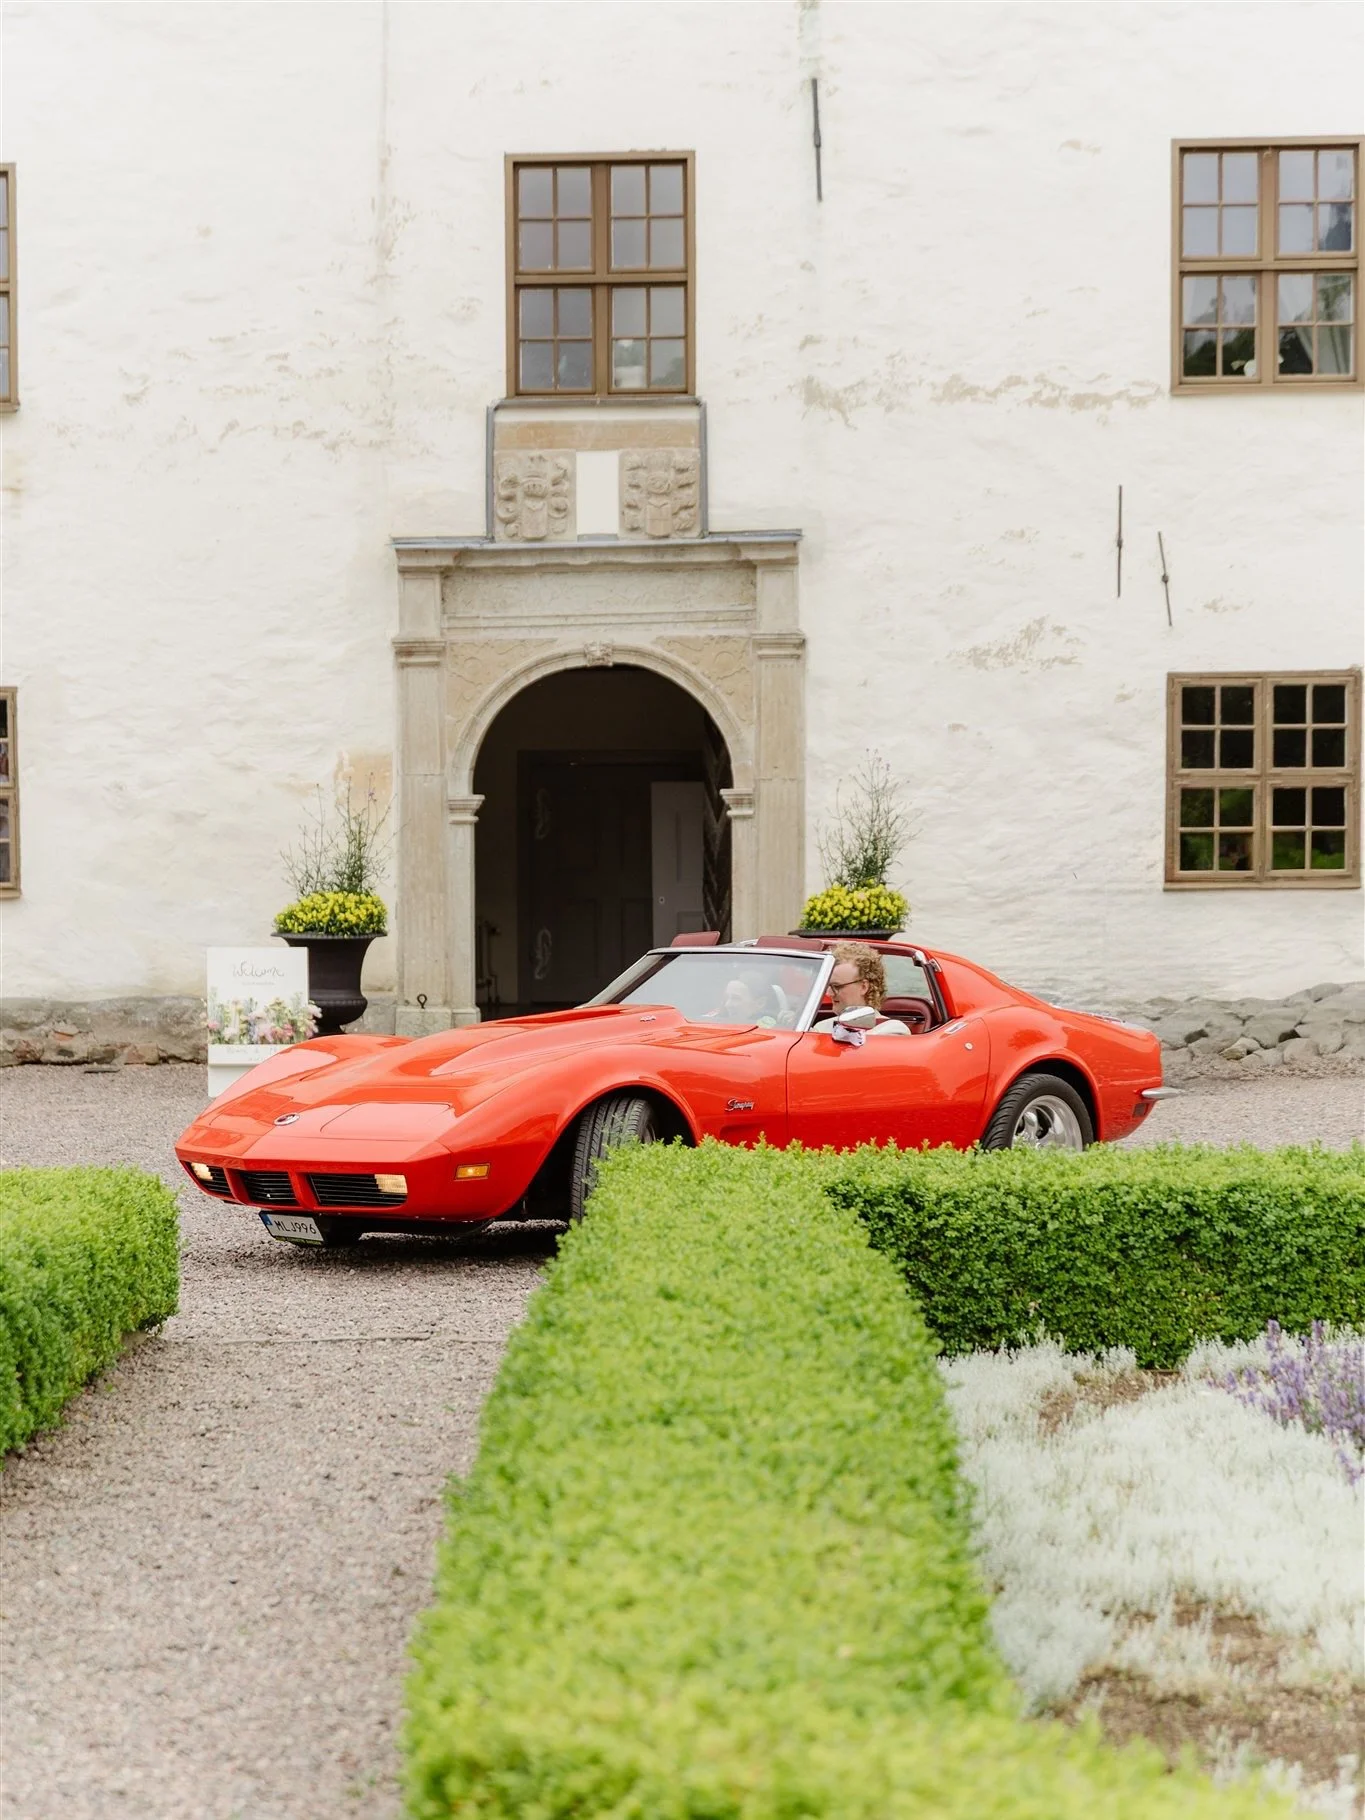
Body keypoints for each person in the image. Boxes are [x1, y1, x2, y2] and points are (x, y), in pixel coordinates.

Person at [812, 943, 910, 1037]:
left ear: (863, 987)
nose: (829, 993)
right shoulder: (821, 1028)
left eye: (836, 986)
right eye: (828, 986)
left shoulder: (893, 1030)